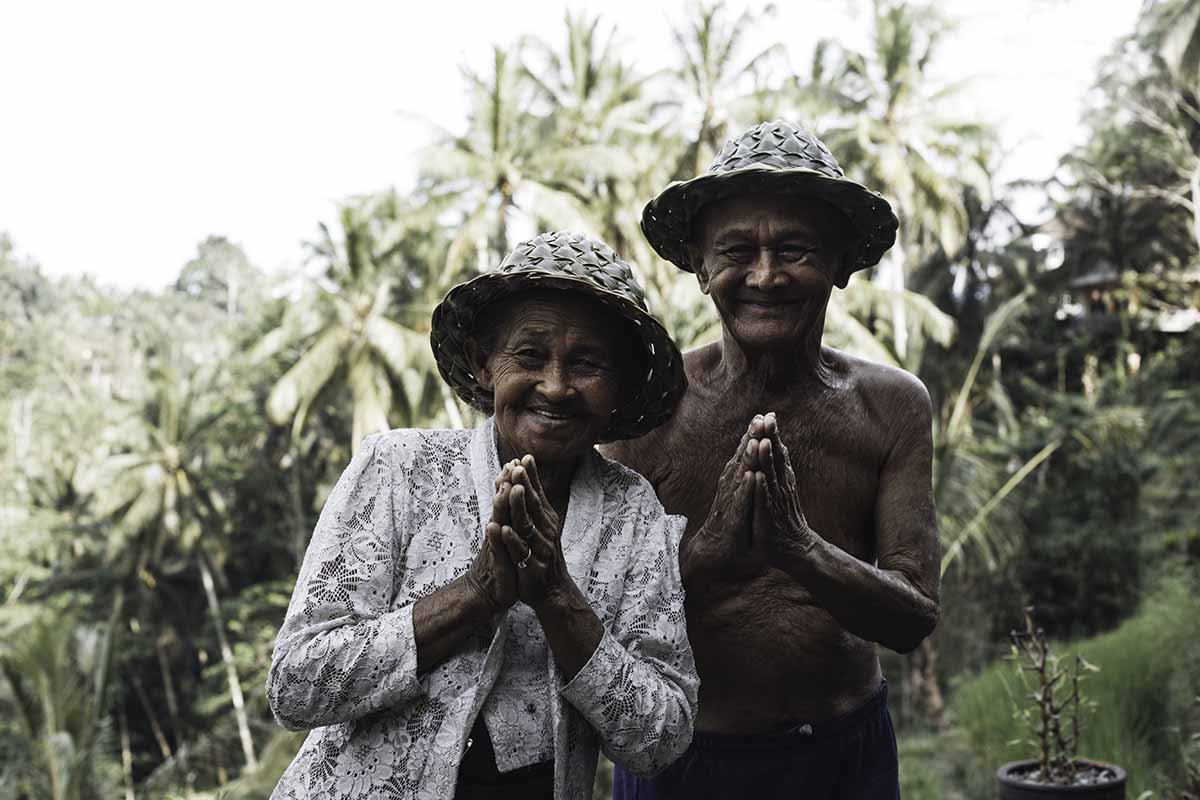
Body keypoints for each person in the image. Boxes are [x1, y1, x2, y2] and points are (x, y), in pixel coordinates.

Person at [267, 231, 697, 800]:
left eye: (588, 363)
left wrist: (557, 597)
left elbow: (661, 736)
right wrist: (477, 592)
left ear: (618, 387)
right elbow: (296, 683)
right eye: (530, 354)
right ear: (484, 361)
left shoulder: (632, 512)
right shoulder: (398, 468)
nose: (556, 386)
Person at [604, 120, 941, 799]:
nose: (765, 275)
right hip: (680, 754)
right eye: (736, 250)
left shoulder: (892, 407)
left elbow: (913, 615)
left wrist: (801, 550)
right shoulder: (645, 414)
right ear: (700, 266)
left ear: (841, 264)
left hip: (842, 754)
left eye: (795, 249)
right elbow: (599, 621)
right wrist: (710, 553)